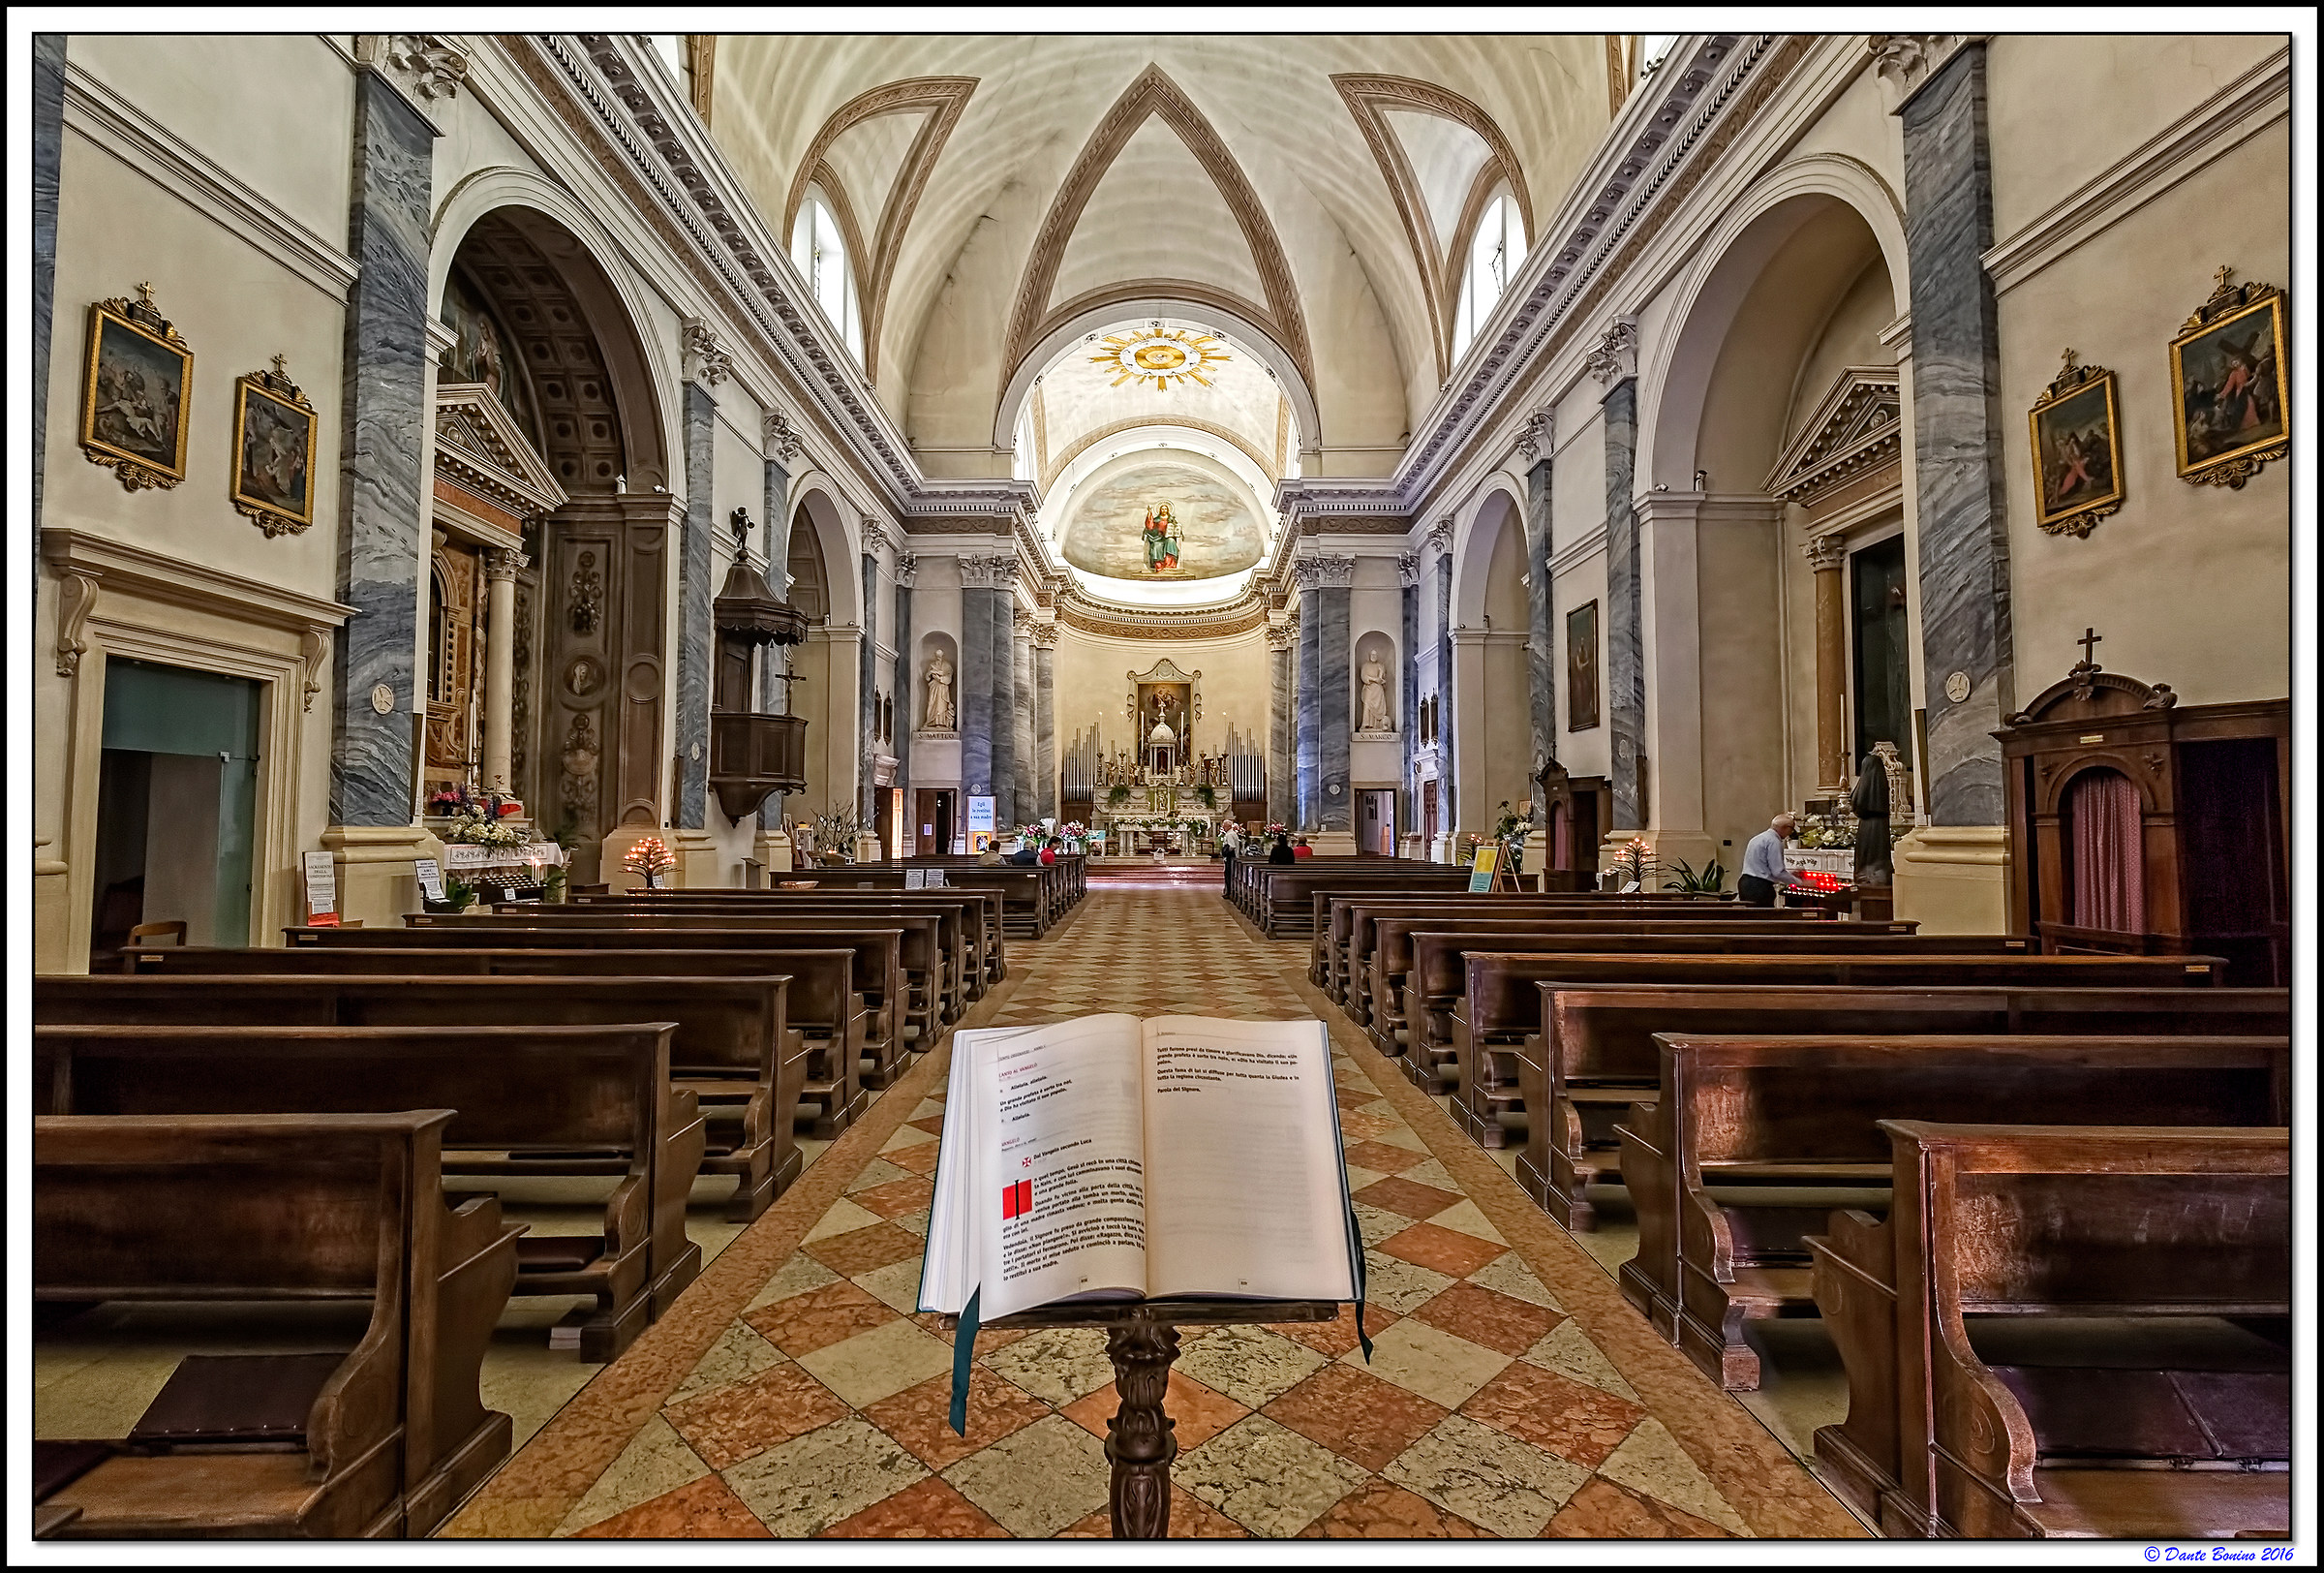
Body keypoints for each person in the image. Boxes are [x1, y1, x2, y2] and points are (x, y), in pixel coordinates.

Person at [1738, 813, 1815, 907]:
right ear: (1786, 828)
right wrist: (1801, 883)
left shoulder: (1757, 838)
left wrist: (1789, 873)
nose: (1790, 834)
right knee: (1763, 918)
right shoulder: (1774, 841)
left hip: (1745, 883)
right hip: (1759, 887)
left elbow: (1762, 868)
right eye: (1791, 830)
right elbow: (1777, 872)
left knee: (1750, 918)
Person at [1220, 823, 1240, 892]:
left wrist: (1225, 853)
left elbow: (1232, 846)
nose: (1223, 828)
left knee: (1228, 874)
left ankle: (1229, 891)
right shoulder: (1232, 833)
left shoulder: (1229, 834)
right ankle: (1230, 890)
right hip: (1233, 856)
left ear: (1229, 826)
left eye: (1224, 826)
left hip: (1230, 857)